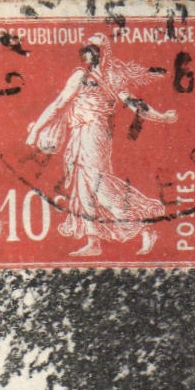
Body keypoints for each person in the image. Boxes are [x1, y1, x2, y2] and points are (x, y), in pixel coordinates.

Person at [25, 34, 178, 257]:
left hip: (96, 134)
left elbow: (135, 104)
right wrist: (37, 130)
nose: (88, 54)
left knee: (100, 186)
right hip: (79, 134)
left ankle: (145, 225)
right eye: (86, 50)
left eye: (93, 50)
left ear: (102, 52)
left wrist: (161, 117)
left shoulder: (113, 76)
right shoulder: (80, 75)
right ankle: (93, 241)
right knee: (82, 188)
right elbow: (59, 104)